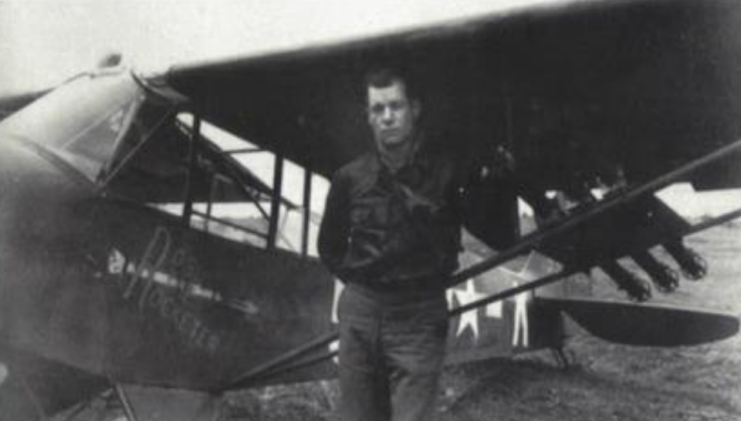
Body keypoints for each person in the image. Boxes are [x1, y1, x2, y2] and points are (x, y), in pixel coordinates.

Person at [318, 68, 465, 421]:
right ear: (368, 117)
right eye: (378, 109)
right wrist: (363, 281)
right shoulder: (349, 178)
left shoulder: (447, 173)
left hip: (418, 313)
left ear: (414, 108)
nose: (387, 116)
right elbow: (329, 247)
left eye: (395, 106)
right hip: (361, 312)